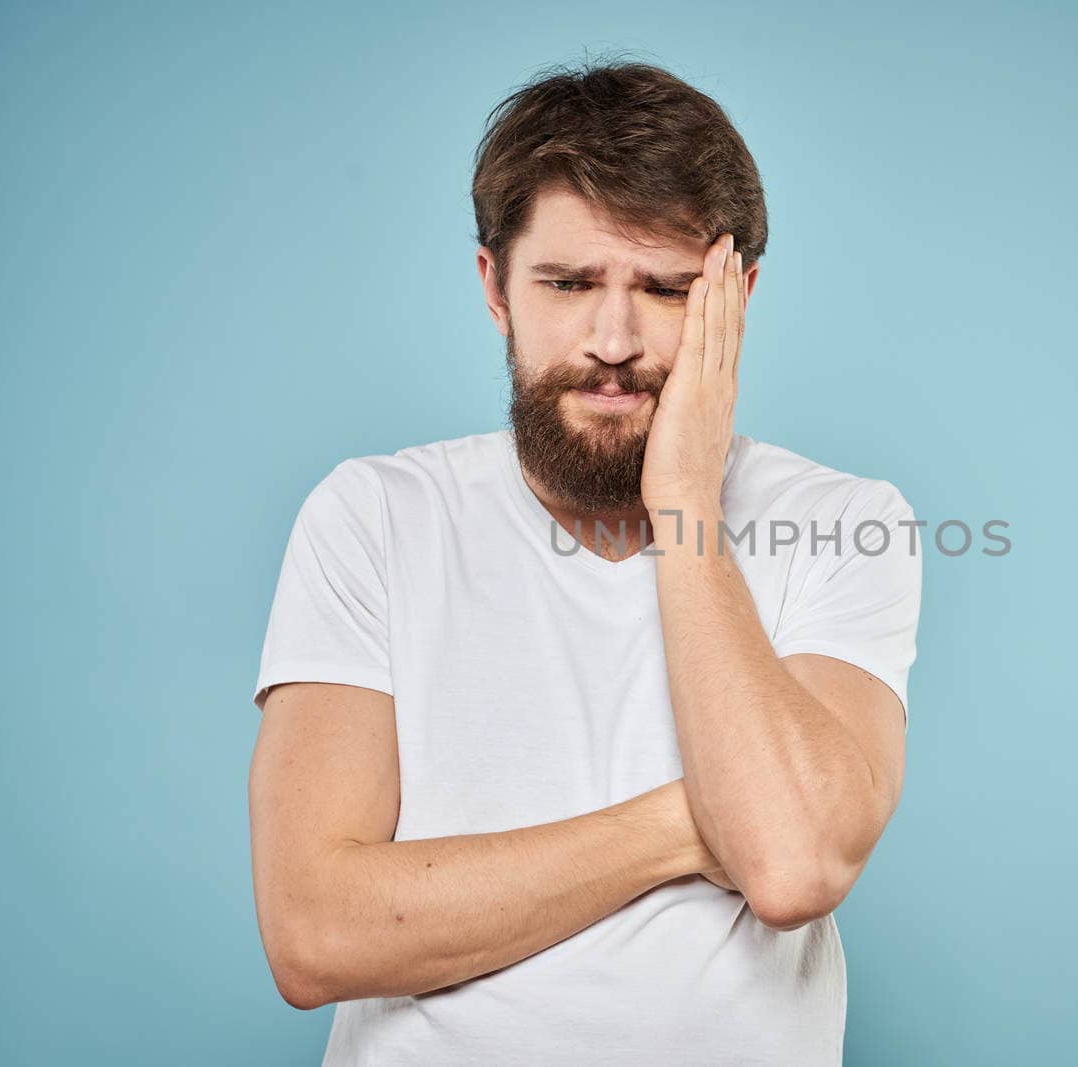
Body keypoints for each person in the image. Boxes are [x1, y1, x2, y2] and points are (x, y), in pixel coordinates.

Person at [247, 58, 922, 1066]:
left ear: (734, 296)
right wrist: (690, 820)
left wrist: (685, 500)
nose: (612, 340)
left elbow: (786, 864)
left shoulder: (843, 520)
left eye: (663, 290)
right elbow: (315, 935)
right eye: (567, 283)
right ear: (495, 287)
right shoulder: (374, 515)